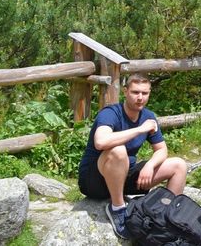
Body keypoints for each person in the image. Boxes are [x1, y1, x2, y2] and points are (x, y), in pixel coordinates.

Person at [77, 73, 188, 239]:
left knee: (179, 165)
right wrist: (140, 129)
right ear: (125, 91)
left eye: (145, 93)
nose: (140, 97)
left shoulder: (149, 116)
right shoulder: (110, 113)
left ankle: (166, 218)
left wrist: (150, 166)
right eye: (135, 92)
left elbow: (162, 150)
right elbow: (100, 142)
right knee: (118, 150)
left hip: (124, 176)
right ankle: (118, 209)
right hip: (94, 181)